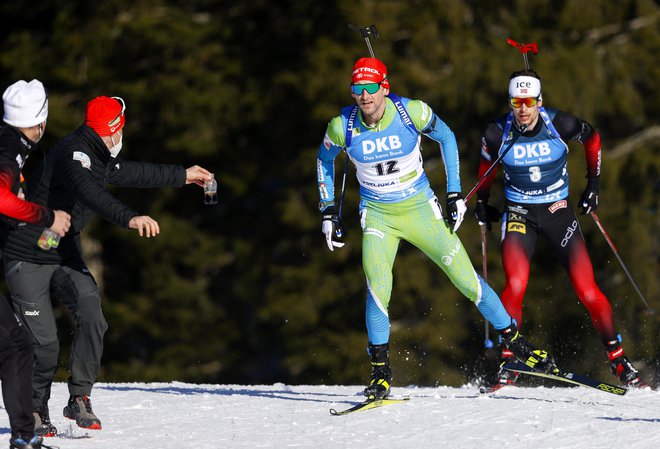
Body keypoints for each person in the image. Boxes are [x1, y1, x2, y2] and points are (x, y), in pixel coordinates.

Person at [316, 57, 558, 400]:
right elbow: (323, 160)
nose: (364, 96)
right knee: (377, 287)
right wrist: (328, 211)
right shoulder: (342, 125)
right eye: (358, 89)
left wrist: (454, 193)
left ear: (385, 87)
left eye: (371, 88)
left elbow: (446, 137)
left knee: (467, 281)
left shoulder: (410, 112)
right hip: (378, 215)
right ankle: (381, 374)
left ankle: (516, 343)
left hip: (420, 210)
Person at [2, 95, 214, 434]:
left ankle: (79, 398)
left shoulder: (95, 152)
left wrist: (182, 175)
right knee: (44, 343)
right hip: (27, 255)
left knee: (91, 311)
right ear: (114, 130)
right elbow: (89, 192)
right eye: (122, 129)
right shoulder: (74, 156)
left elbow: (128, 172)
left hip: (62, 249)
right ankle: (34, 407)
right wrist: (129, 218)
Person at [474, 68, 642, 388]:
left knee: (587, 289)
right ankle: (509, 362)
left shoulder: (559, 123)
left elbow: (592, 138)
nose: (522, 109)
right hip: (520, 213)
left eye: (528, 101)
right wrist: (482, 201)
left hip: (558, 212)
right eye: (516, 102)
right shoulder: (497, 131)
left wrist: (593, 185)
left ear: (539, 100)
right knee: (516, 283)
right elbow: (486, 168)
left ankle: (619, 361)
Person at [1, 80, 71, 449]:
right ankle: (26, 438)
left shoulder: (13, 145)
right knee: (16, 347)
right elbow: (1, 198)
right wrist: (45, 217)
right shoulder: (10, 147)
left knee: (14, 346)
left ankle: (26, 437)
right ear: (41, 119)